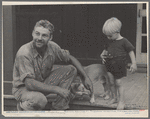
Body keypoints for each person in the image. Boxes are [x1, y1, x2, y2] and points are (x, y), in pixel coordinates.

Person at [12, 20, 93, 111]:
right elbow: (29, 84)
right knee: (40, 99)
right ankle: (23, 106)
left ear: (50, 37)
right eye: (37, 34)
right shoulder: (24, 52)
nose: (39, 38)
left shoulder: (52, 47)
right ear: (32, 33)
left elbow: (70, 58)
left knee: (71, 69)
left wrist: (85, 77)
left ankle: (59, 108)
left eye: (44, 35)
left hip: (41, 83)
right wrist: (58, 90)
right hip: (23, 89)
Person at [100, 17, 137, 110]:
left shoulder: (124, 41)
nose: (108, 38)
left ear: (117, 32)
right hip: (109, 65)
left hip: (119, 66)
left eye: (110, 36)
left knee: (119, 83)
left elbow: (131, 51)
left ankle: (121, 101)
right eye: (107, 36)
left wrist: (134, 63)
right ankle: (114, 98)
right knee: (111, 82)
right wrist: (102, 55)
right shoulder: (109, 41)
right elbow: (104, 51)